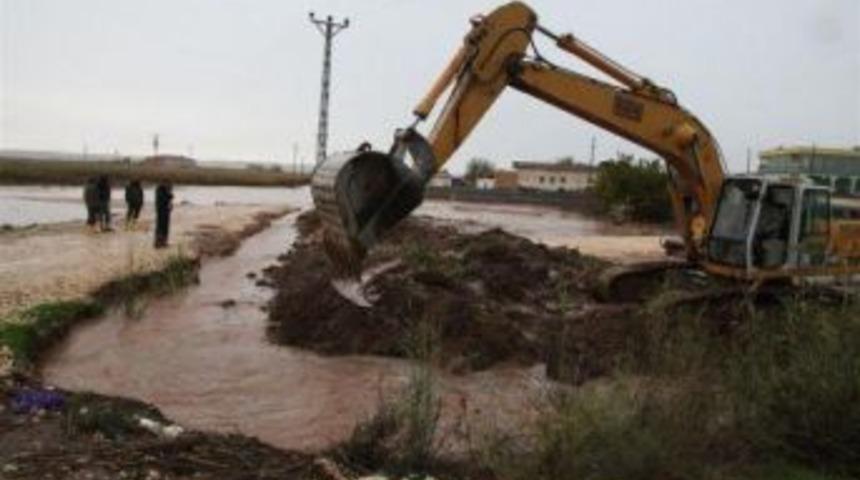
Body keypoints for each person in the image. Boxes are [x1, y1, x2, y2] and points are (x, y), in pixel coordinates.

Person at [154, 182, 173, 248]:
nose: (170, 188)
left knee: (165, 227)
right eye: (169, 187)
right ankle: (159, 242)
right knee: (161, 227)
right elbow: (163, 201)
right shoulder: (160, 191)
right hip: (161, 211)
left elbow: (168, 202)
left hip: (165, 212)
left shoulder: (164, 191)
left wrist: (170, 197)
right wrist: (169, 196)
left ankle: (163, 242)